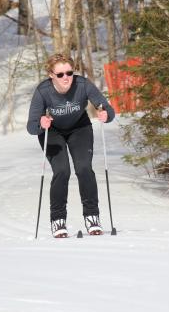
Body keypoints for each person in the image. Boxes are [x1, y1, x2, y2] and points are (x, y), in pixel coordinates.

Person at [27, 53, 115, 238]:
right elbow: (31, 126)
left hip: (79, 128)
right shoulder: (43, 91)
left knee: (84, 168)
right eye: (60, 75)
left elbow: (107, 108)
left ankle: (92, 216)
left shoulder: (82, 85)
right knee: (62, 171)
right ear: (51, 75)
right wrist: (41, 123)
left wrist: (106, 114)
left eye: (69, 72)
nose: (66, 78)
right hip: (52, 131)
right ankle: (58, 220)